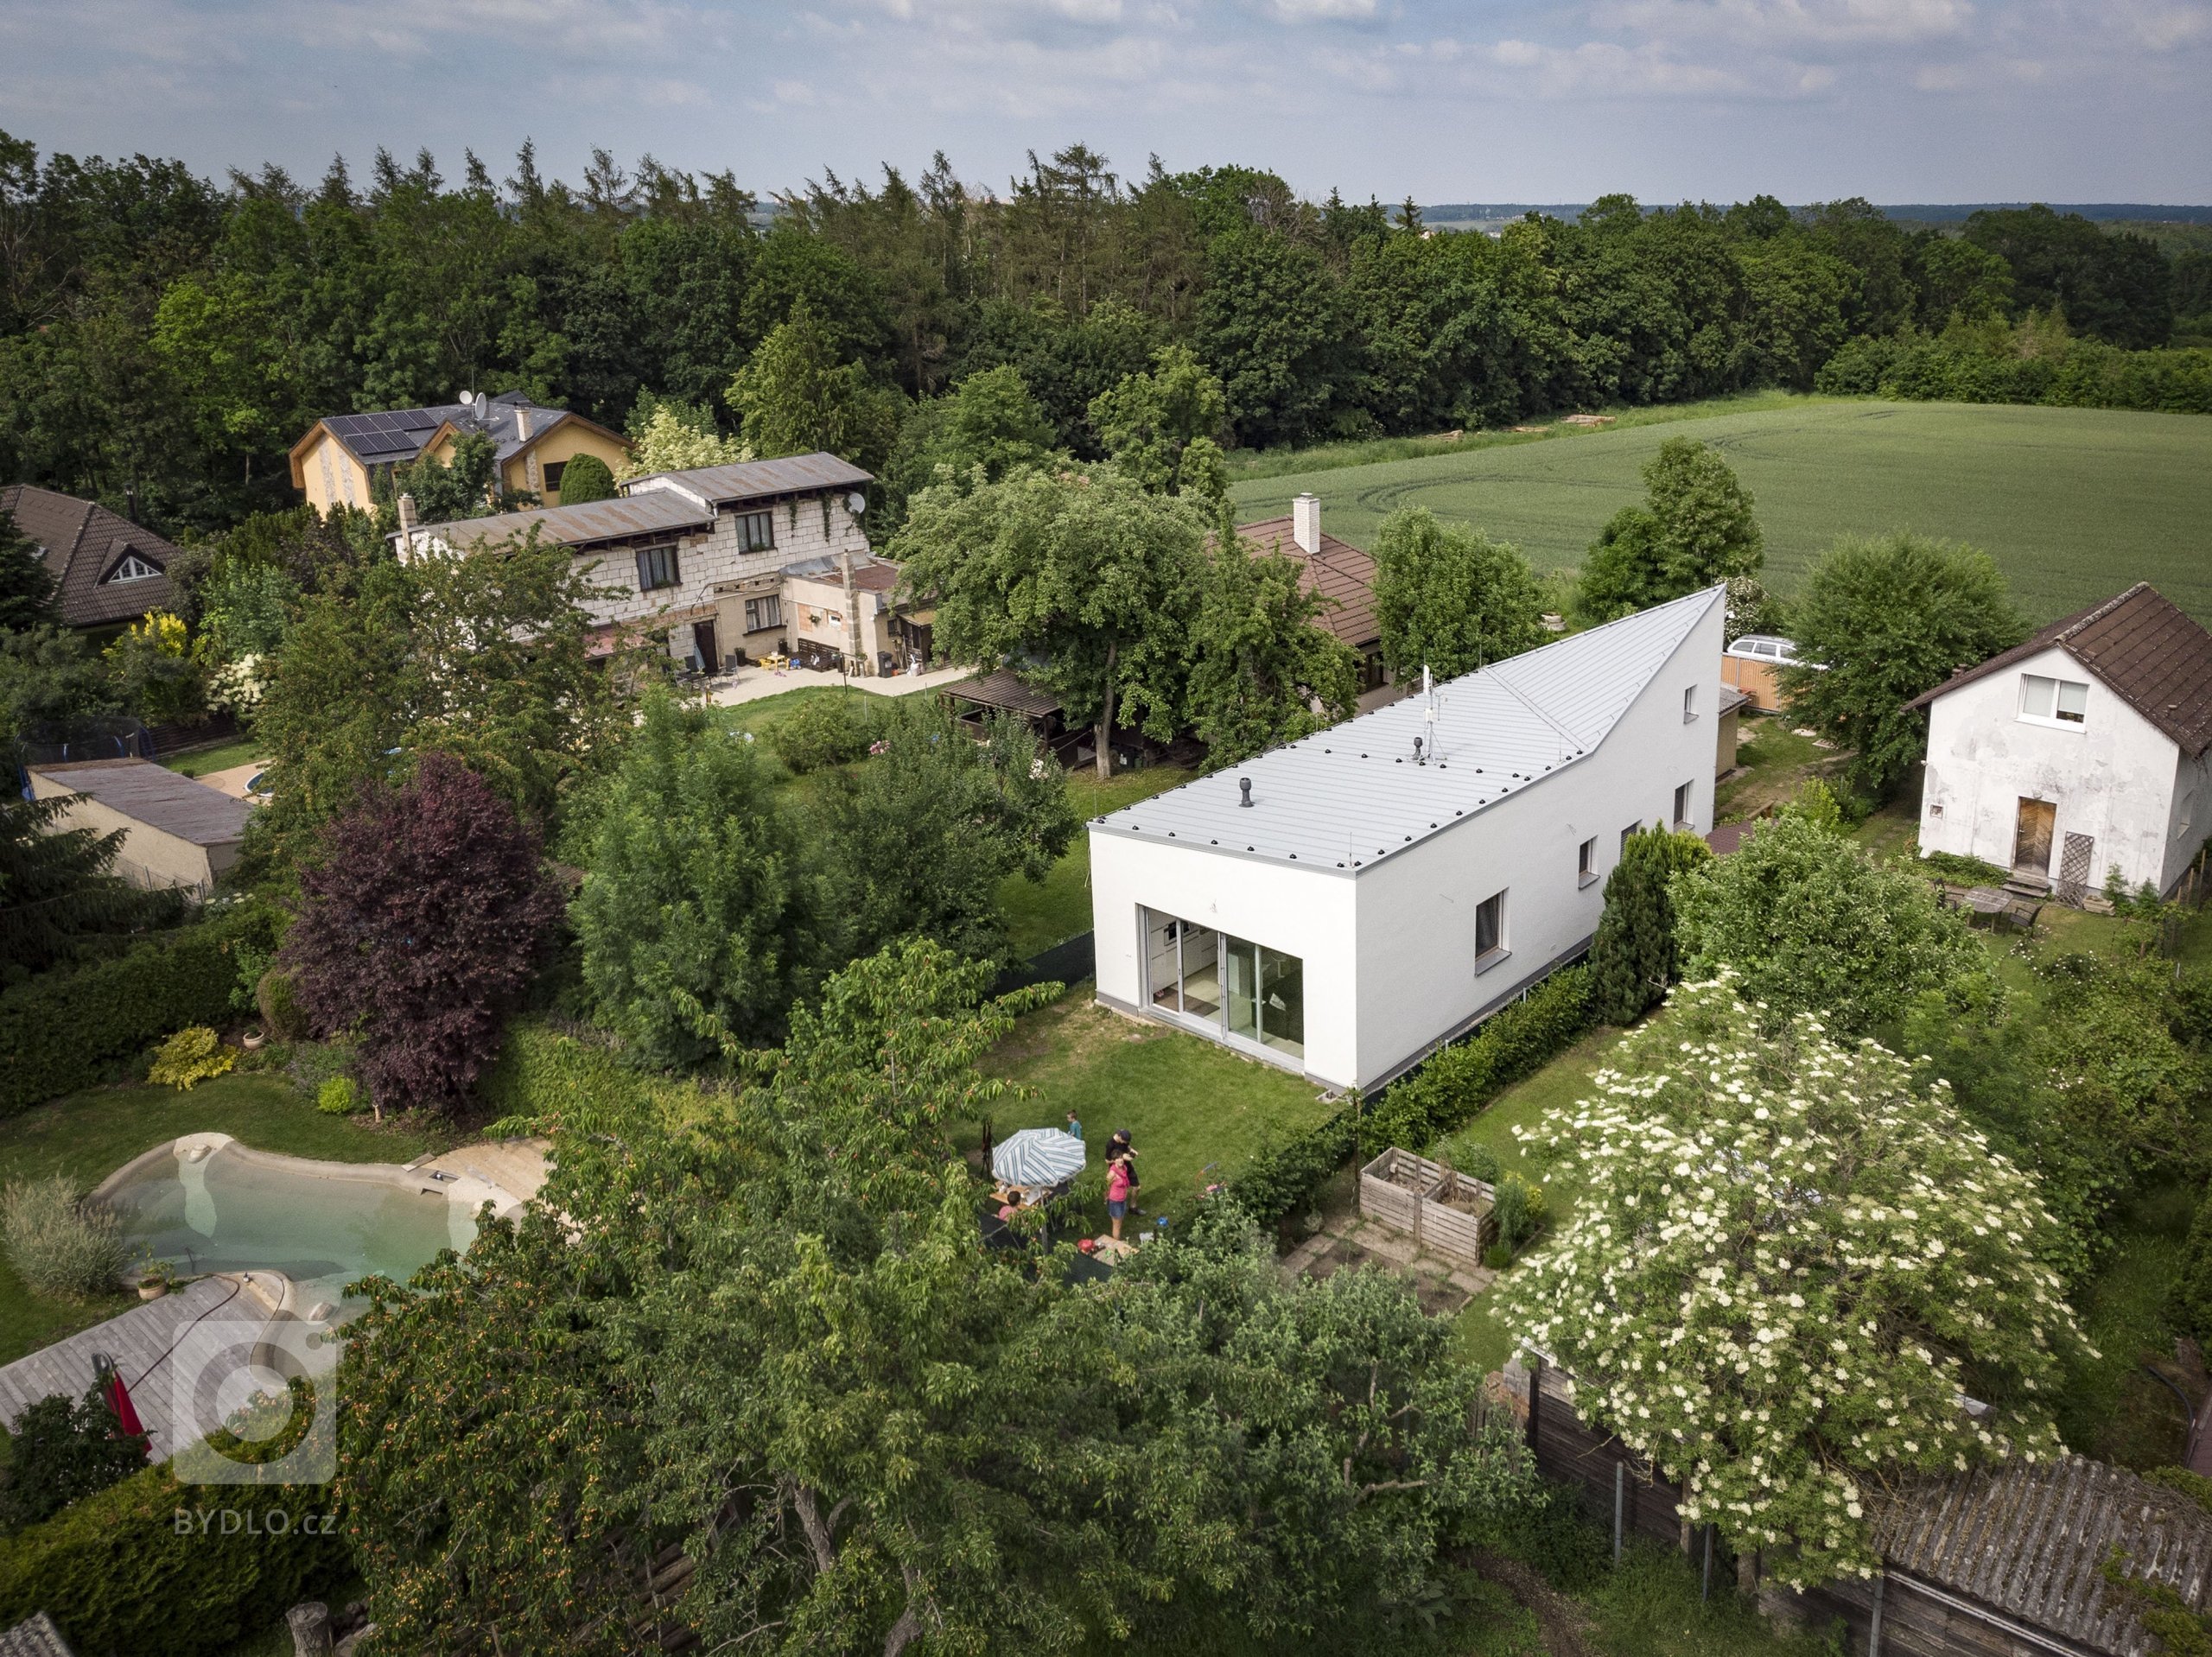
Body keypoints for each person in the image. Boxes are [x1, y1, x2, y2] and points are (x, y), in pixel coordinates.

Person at [1105, 1152, 1132, 1242]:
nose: (1120, 1160)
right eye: (1118, 1158)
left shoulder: (1124, 1168)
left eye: (1121, 1158)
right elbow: (1105, 1186)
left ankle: (1117, 1240)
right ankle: (1116, 1243)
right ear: (1114, 1161)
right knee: (1116, 1225)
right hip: (1115, 1201)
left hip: (1123, 1200)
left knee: (1120, 1222)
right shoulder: (1112, 1173)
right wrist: (1106, 1198)